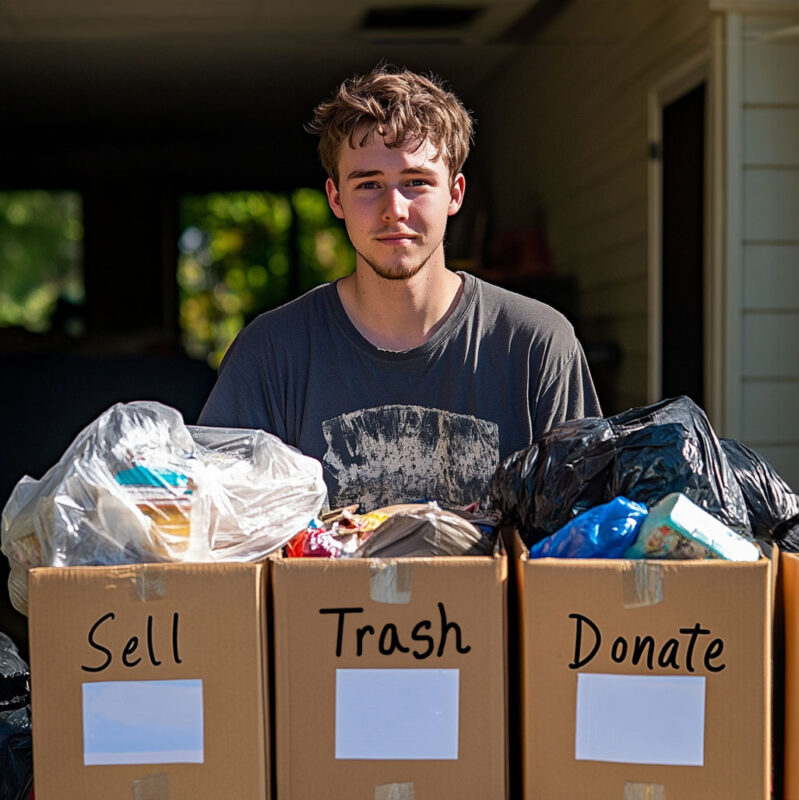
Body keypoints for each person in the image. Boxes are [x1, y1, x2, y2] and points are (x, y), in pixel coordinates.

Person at [198, 65, 601, 511]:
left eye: (416, 182)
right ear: (335, 198)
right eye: (369, 184)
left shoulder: (535, 344)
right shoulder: (271, 353)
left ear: (455, 193)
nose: (394, 209)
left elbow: (581, 531)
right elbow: (218, 525)